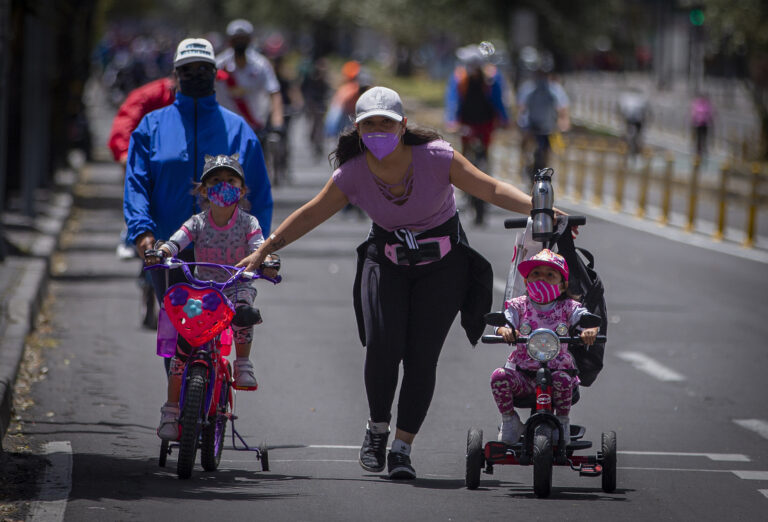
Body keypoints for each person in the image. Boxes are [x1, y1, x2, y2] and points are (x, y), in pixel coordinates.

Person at [236, 86, 544, 480]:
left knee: (421, 359)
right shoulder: (353, 172)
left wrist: (543, 209)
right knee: (382, 347)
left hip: (443, 266)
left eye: (386, 122)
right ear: (358, 129)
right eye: (369, 124)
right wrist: (265, 249)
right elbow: (312, 213)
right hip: (387, 262)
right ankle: (377, 429)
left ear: (402, 126)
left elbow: (491, 188)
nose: (378, 130)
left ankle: (402, 447)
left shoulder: (436, 157)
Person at [123, 37, 273, 370]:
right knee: (178, 336)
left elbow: (260, 193)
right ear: (175, 74)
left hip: (226, 255)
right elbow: (136, 184)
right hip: (170, 250)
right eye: (187, 69)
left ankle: (216, 404)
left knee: (219, 334)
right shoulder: (151, 127)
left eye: (203, 68)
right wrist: (142, 232)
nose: (195, 74)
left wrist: (261, 249)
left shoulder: (238, 129)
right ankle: (178, 414)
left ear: (215, 73)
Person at [149, 154, 279, 440]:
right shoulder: (197, 222)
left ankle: (243, 363)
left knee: (245, 311)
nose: (223, 186)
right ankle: (171, 411)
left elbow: (259, 246)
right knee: (181, 352)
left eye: (230, 181)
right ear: (204, 190)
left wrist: (266, 261)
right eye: (215, 181)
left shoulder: (248, 222)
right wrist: (163, 253)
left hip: (235, 287)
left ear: (242, 190)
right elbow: (176, 241)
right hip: (203, 290)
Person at [490, 249, 598, 444]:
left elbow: (585, 319)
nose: (542, 279)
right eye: (536, 274)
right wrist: (505, 330)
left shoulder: (568, 307)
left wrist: (589, 330)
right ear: (526, 281)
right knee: (499, 377)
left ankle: (562, 422)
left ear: (563, 284)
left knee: (563, 379)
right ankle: (510, 421)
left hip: (556, 375)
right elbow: (504, 321)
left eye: (550, 275)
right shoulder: (518, 305)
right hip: (523, 376)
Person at [444, 43, 509, 226]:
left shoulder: (492, 78)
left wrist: (504, 119)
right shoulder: (459, 79)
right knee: (464, 157)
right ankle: (465, 187)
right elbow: (452, 101)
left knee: (484, 157)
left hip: (486, 124)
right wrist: (452, 122)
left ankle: (485, 181)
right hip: (466, 123)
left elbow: (499, 101)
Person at [215, 19, 284, 135]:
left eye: (243, 39)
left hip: (255, 129)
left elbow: (274, 93)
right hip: (225, 130)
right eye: (236, 39)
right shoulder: (218, 65)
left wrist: (277, 123)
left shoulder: (261, 64)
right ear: (230, 41)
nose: (240, 43)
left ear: (250, 40)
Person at [517, 69, 570, 184]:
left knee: (546, 155)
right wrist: (522, 125)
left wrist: (563, 122)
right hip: (532, 127)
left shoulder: (555, 89)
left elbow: (563, 108)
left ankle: (543, 173)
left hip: (547, 128)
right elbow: (522, 108)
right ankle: (525, 164)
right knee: (526, 147)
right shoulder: (528, 88)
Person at [618, 87, 650, 156]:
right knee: (635, 134)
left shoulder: (626, 98)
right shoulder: (641, 99)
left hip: (632, 120)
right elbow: (646, 112)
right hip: (635, 120)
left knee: (632, 133)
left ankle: (630, 144)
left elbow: (622, 111)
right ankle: (634, 145)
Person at [691, 93, 713, 158]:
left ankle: (704, 149)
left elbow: (710, 113)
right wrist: (694, 121)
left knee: (704, 137)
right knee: (699, 137)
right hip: (698, 124)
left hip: (705, 124)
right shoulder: (697, 104)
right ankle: (698, 150)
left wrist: (710, 120)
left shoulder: (707, 105)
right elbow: (694, 114)